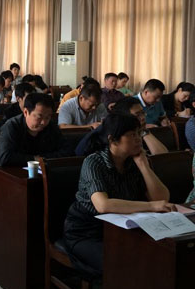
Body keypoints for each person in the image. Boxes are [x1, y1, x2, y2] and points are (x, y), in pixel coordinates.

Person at [64, 113, 174, 277]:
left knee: (160, 255)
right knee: (122, 264)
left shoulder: (134, 161)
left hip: (123, 229)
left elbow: (162, 198)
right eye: (131, 135)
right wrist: (151, 206)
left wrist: (144, 166)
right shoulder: (94, 162)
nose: (138, 139)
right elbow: (103, 205)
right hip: (88, 232)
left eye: (139, 133)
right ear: (113, 140)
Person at [76, 97, 169, 157]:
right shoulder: (110, 135)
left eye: (143, 113)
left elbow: (163, 157)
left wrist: (144, 131)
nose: (143, 118)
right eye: (137, 115)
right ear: (123, 116)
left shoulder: (136, 131)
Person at [0, 93, 70, 167]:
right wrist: (35, 159)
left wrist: (42, 158)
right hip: (13, 172)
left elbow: (67, 151)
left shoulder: (51, 126)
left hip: (43, 171)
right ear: (26, 112)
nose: (43, 122)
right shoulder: (11, 126)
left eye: (47, 117)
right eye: (39, 117)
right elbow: (5, 158)